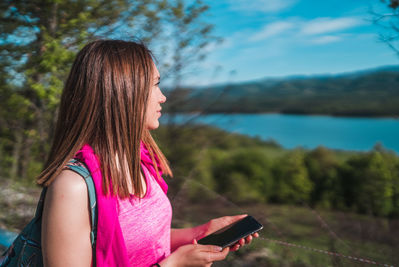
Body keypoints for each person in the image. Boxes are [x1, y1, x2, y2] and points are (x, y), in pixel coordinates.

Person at [37, 39, 258, 267]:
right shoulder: (73, 187)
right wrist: (175, 265)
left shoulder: (140, 162)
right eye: (154, 85)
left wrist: (202, 231)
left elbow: (144, 241)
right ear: (123, 92)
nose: (162, 97)